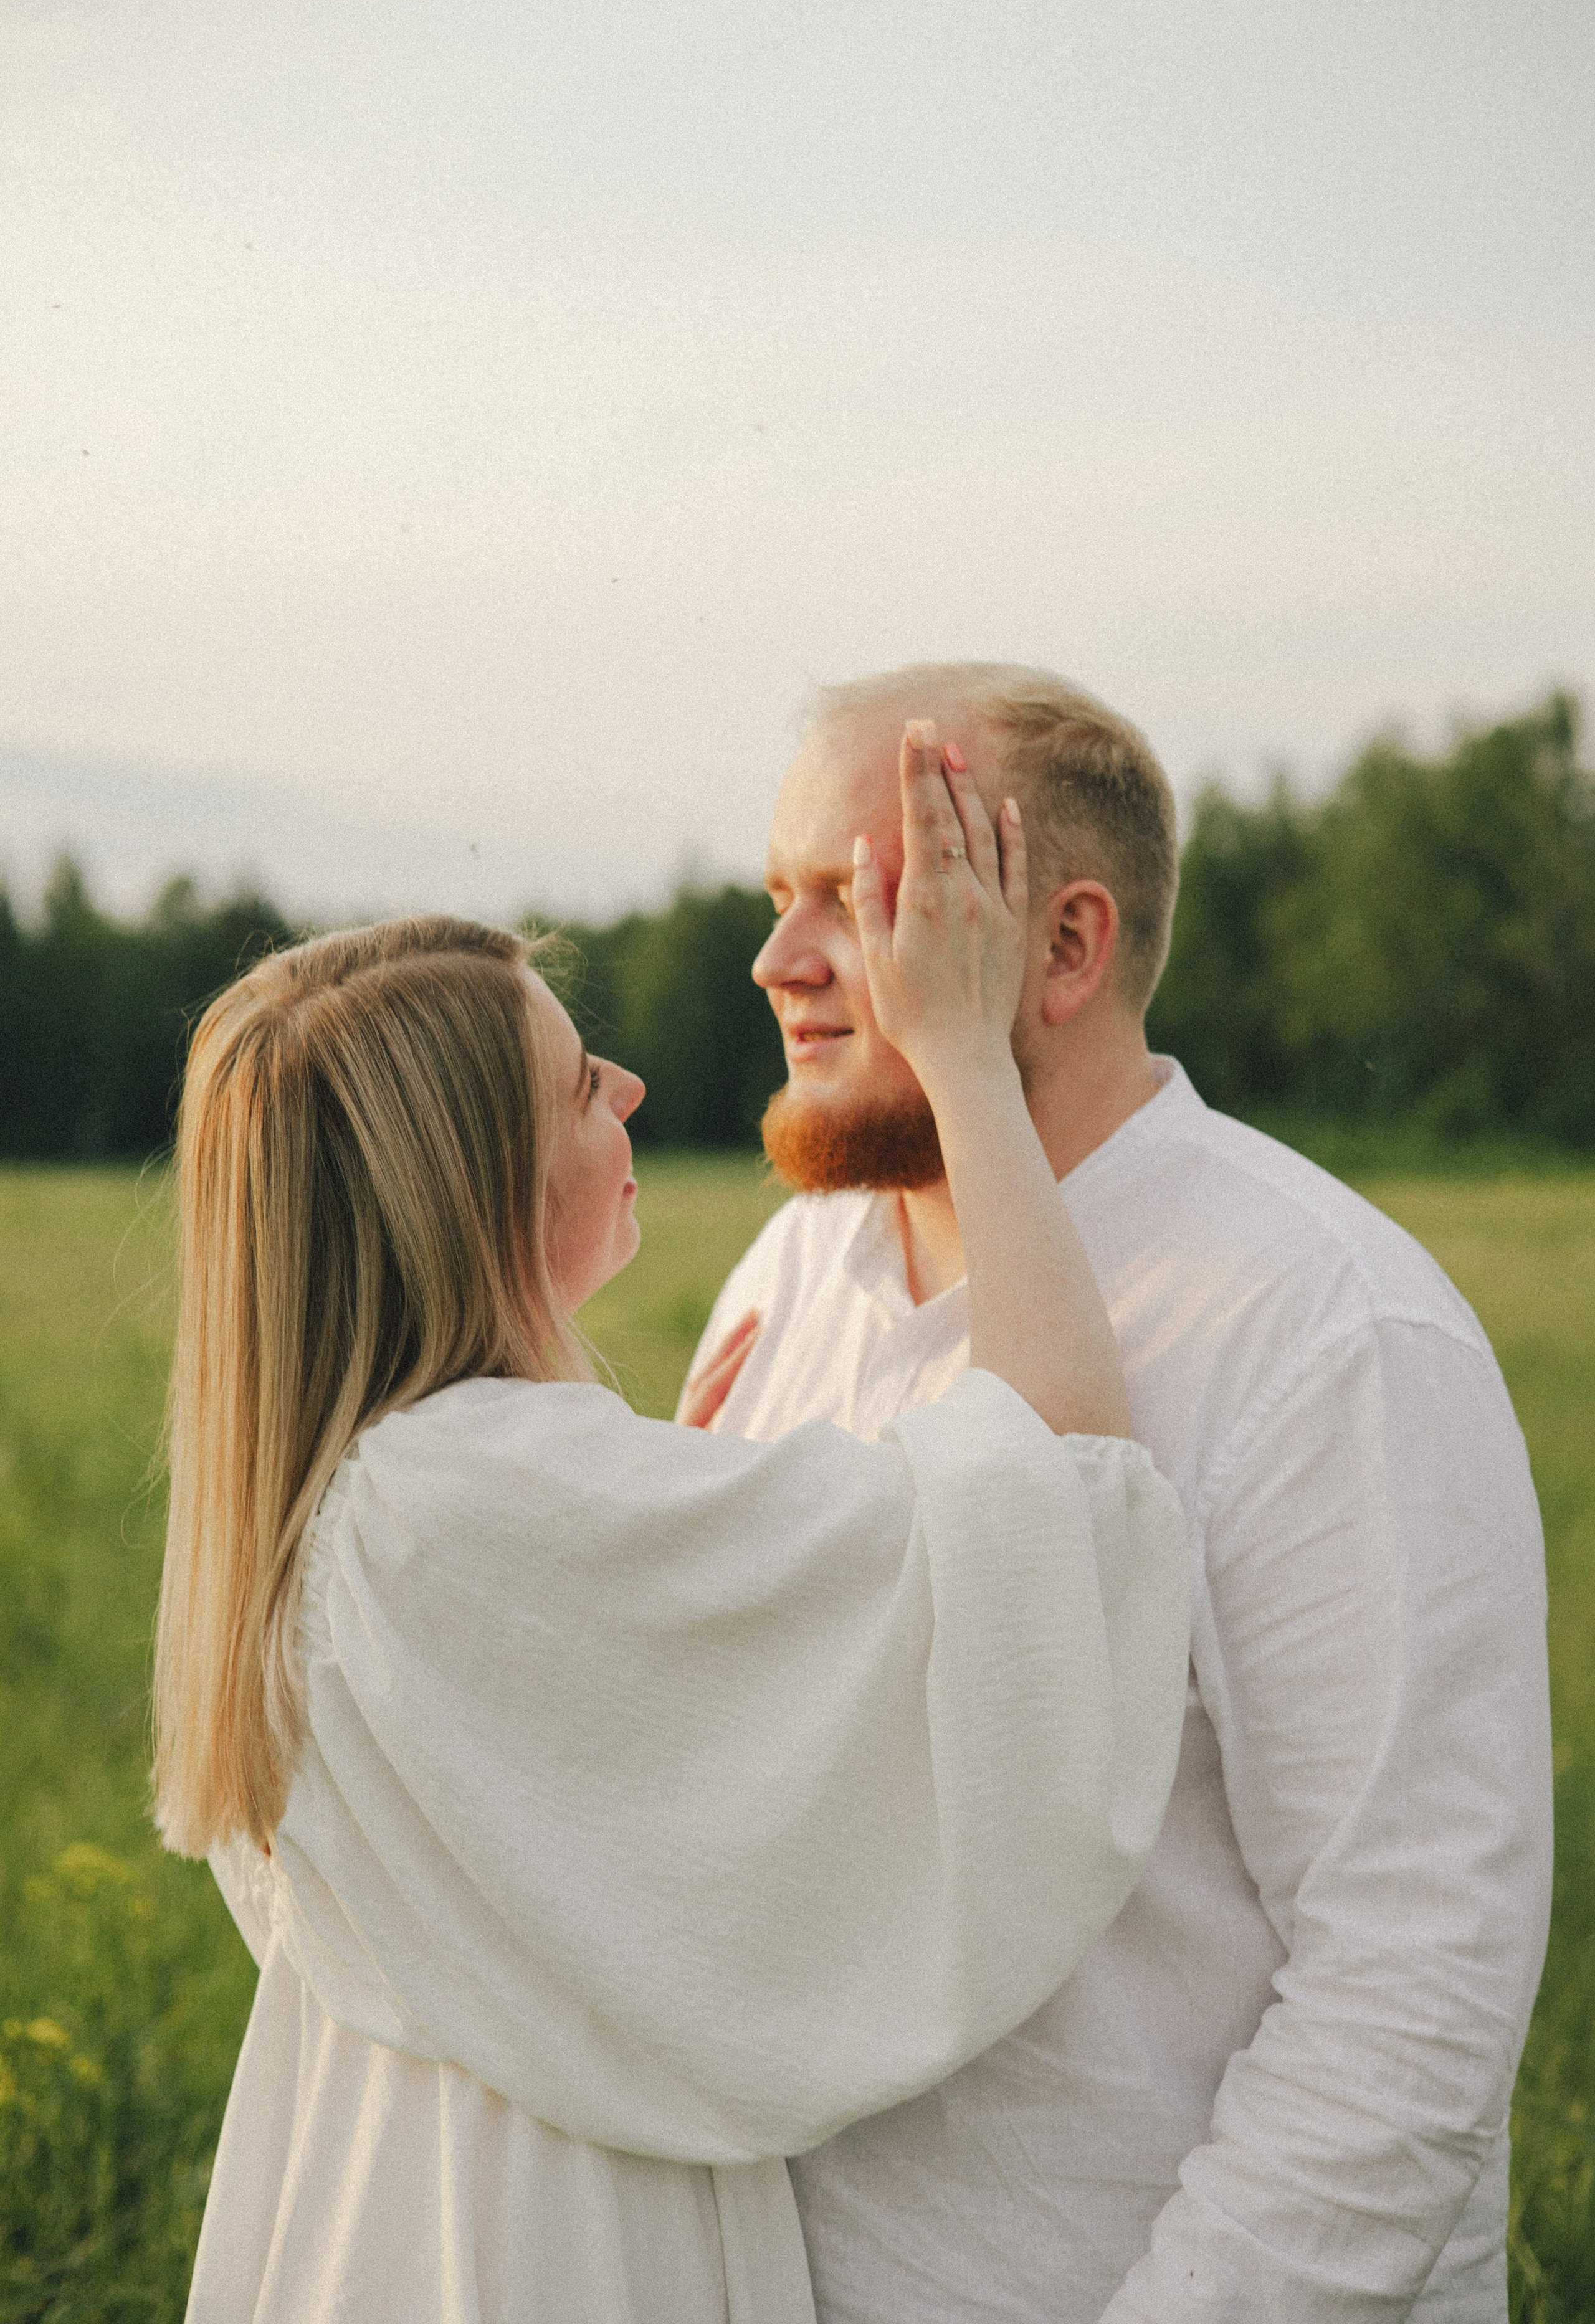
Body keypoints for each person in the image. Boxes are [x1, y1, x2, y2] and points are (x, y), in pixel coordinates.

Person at [153, 729, 1191, 2324]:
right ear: (483, 1184)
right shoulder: (473, 1501)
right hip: (537, 2241)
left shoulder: (367, 1492)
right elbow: (1053, 1498)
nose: (629, 1089)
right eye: (582, 1083)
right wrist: (966, 1059)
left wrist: (678, 1501)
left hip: (381, 2193)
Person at [685, 661, 1554, 2323]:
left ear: (1064, 947)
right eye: (775, 898)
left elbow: (1409, 1986)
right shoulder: (787, 1276)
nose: (778, 960)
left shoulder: (1325, 1326)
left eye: (855, 899)